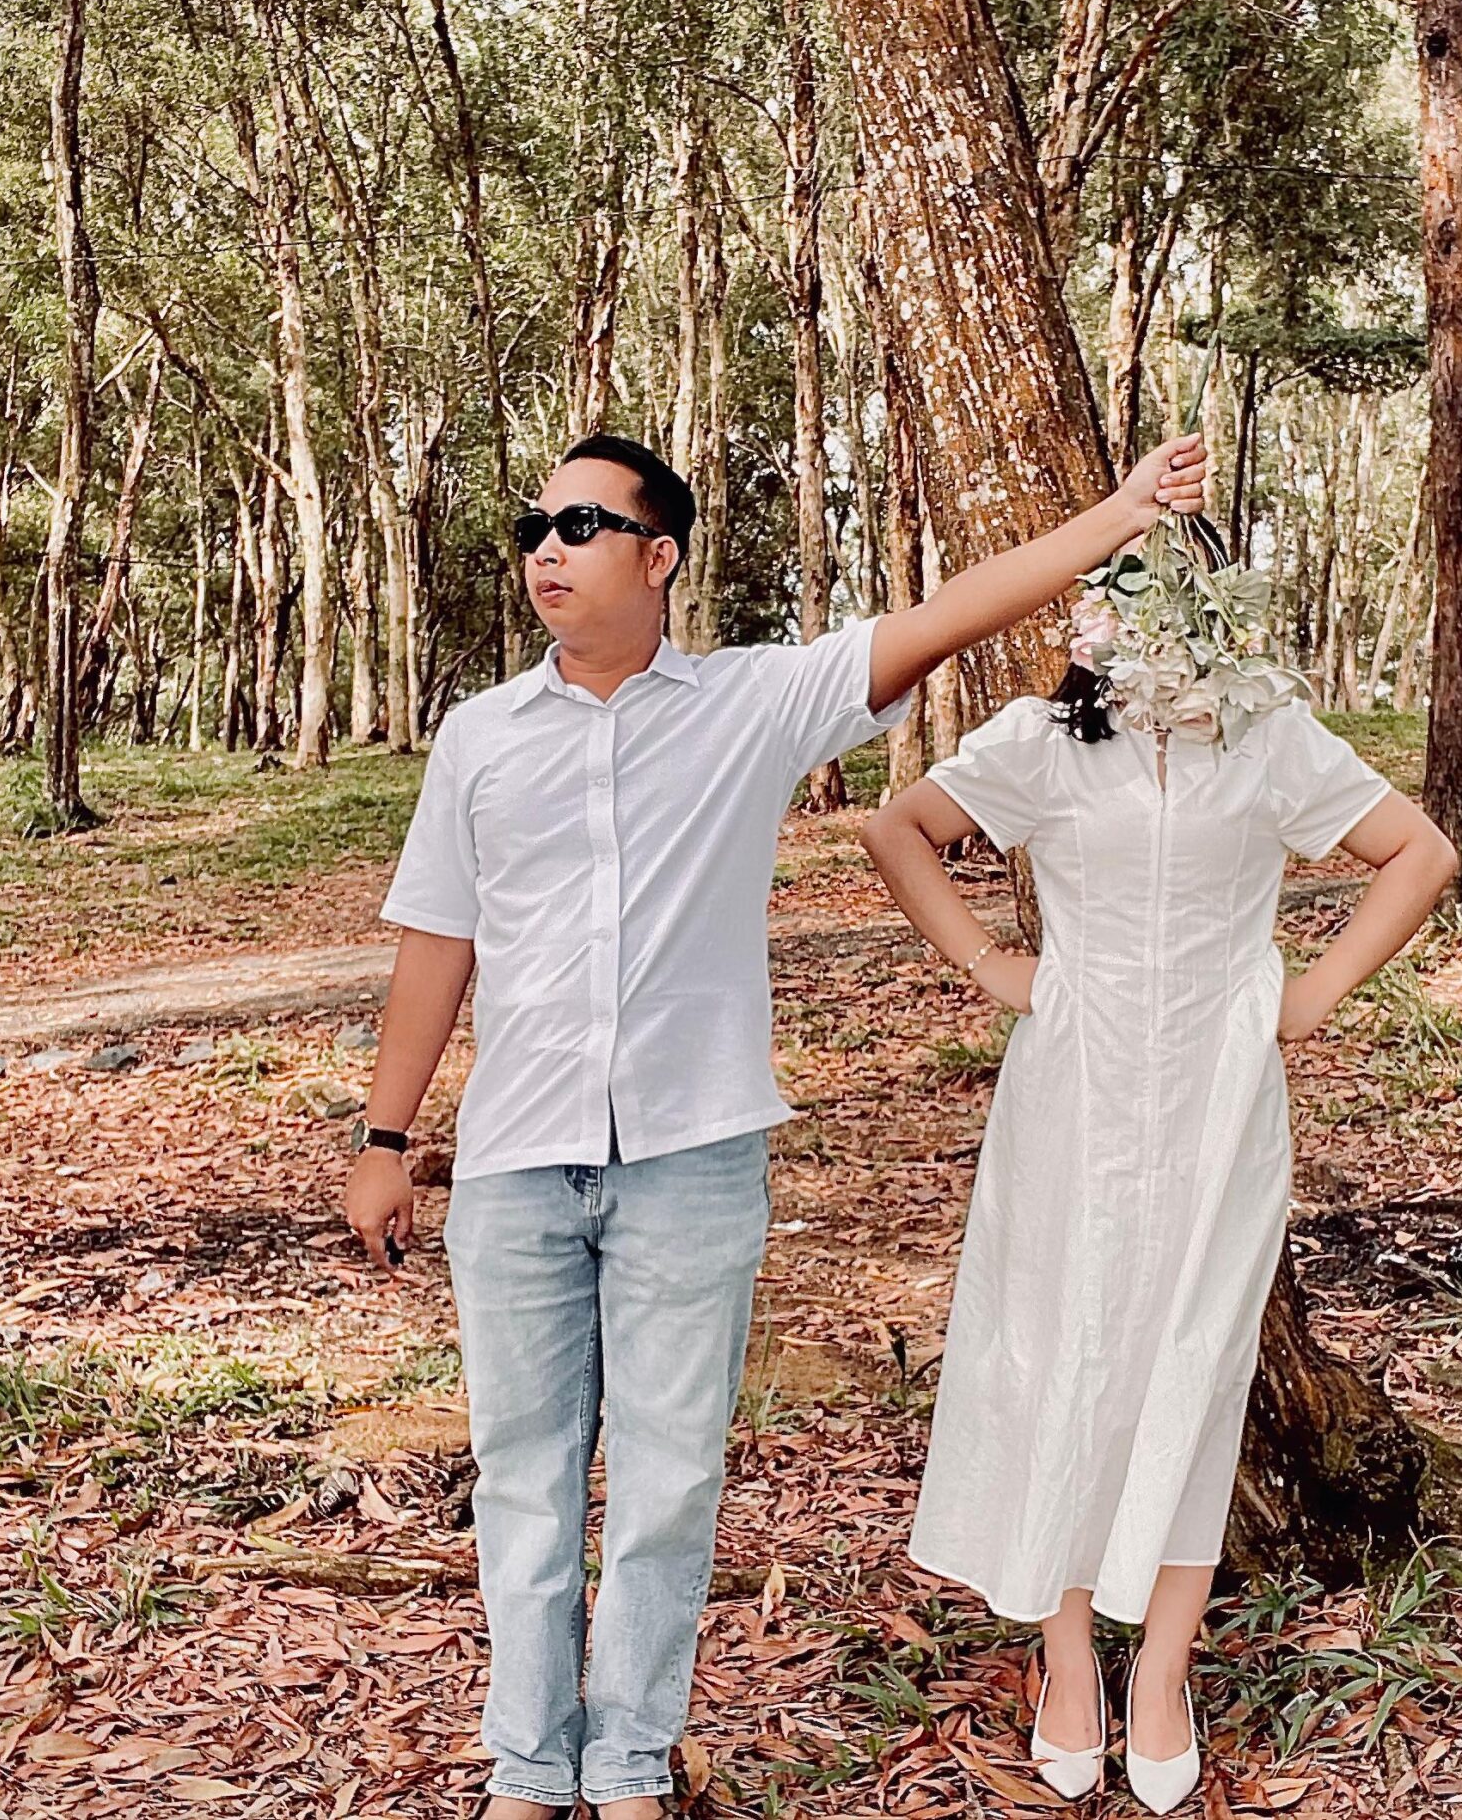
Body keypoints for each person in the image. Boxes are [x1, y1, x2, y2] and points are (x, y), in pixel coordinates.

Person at [344, 428, 1210, 1820]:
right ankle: (528, 1763)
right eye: (534, 527)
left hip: (690, 1159)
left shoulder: (752, 702)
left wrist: (1116, 516)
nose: (548, 549)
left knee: (668, 1482)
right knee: (522, 1478)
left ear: (658, 556)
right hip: (513, 1161)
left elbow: (947, 613)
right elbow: (437, 937)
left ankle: (629, 1762)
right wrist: (385, 1141)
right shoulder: (480, 736)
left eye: (582, 524)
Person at [860, 620, 1456, 1812]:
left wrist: (1310, 995)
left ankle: (1165, 1671)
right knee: (1064, 1355)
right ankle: (1070, 1656)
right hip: (1070, 1094)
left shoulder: (1269, 738)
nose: (1150, 628)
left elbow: (1420, 851)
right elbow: (897, 828)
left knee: (1195, 1361)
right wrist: (990, 963)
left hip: (1218, 1102)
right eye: (1121, 600)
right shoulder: (1043, 741)